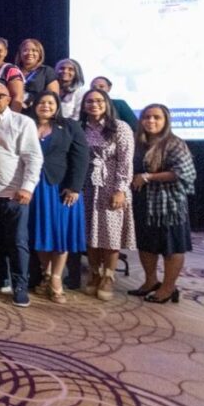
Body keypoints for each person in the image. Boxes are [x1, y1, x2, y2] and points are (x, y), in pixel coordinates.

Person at [0, 83, 43, 308]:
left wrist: (27, 187)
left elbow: (33, 158)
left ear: (8, 99)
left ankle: (20, 286)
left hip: (14, 193)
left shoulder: (23, 122)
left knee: (17, 242)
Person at [26, 91, 89, 304]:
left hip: (61, 188)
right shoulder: (26, 124)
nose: (46, 106)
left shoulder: (70, 126)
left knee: (60, 234)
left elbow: (81, 157)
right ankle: (46, 272)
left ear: (57, 106)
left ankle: (56, 279)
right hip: (34, 187)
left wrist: (74, 187)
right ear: (34, 105)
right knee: (40, 232)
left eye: (50, 103)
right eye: (41, 102)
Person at [130, 104, 196, 304]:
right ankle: (151, 282)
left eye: (156, 117)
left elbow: (184, 172)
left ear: (166, 121)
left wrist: (149, 177)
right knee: (146, 244)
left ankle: (168, 288)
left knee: (171, 247)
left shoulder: (174, 143)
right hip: (142, 203)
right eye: (146, 117)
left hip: (168, 206)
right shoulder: (137, 143)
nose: (151, 121)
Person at [79, 88, 136, 301]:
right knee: (90, 233)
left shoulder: (120, 127)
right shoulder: (80, 127)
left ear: (107, 103)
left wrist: (120, 189)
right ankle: (94, 273)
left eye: (99, 101)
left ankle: (109, 276)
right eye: (89, 101)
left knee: (110, 234)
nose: (94, 104)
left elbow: (125, 161)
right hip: (87, 185)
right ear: (84, 106)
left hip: (111, 185)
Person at [15, 38, 59, 109]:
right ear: (20, 54)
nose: (30, 53)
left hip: (37, 111)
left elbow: (53, 97)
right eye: (25, 50)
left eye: (34, 50)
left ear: (40, 54)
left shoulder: (47, 71)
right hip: (15, 110)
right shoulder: (13, 71)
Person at [0, 38, 25, 112]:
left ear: (5, 52)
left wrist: (11, 117)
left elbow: (18, 97)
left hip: (4, 115)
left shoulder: (11, 70)